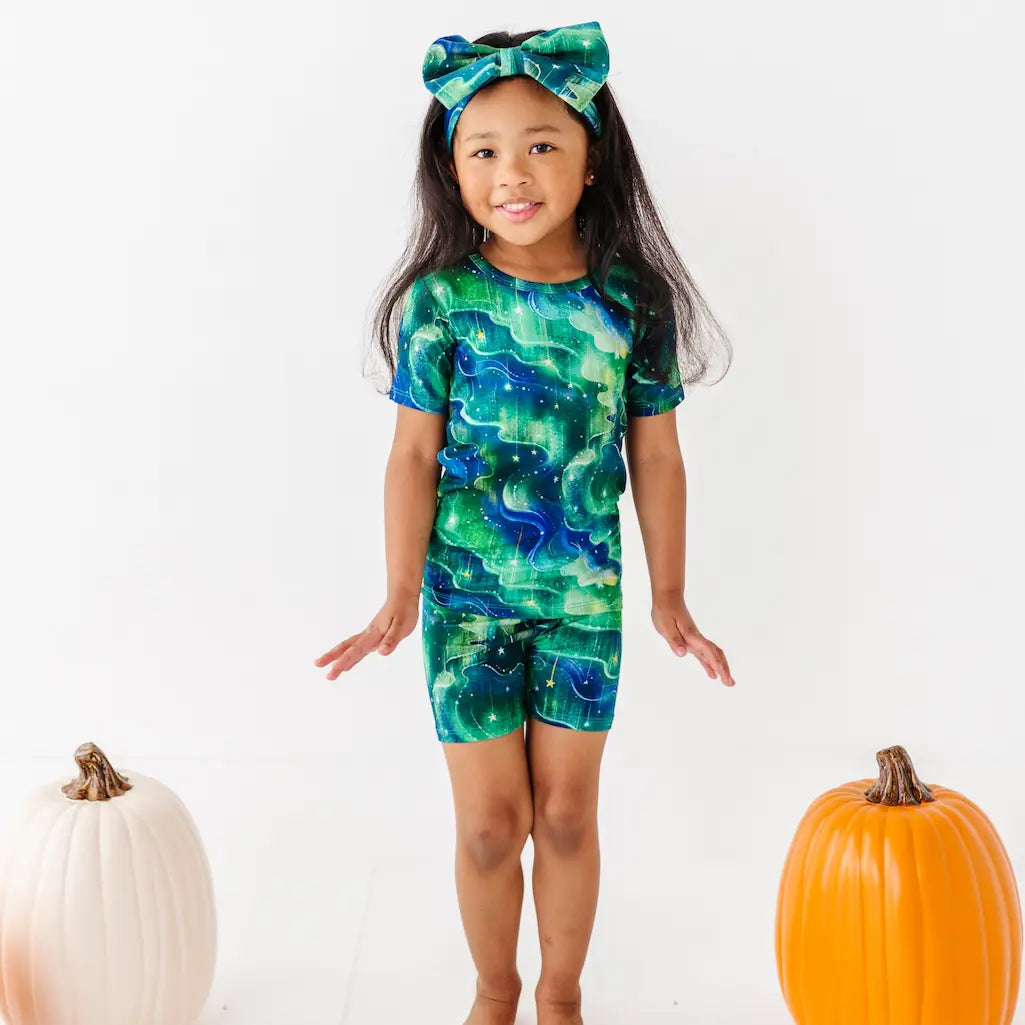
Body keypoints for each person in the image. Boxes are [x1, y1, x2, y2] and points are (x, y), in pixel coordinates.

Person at [315, 20, 736, 1025]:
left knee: (566, 813)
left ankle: (559, 996)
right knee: (488, 827)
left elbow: (656, 455)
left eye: (541, 143)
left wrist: (669, 595)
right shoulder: (440, 303)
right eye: (484, 150)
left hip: (581, 598)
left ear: (592, 160)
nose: (512, 172)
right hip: (464, 599)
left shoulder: (630, 302)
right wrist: (397, 592)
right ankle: (494, 991)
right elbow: (411, 457)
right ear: (450, 170)